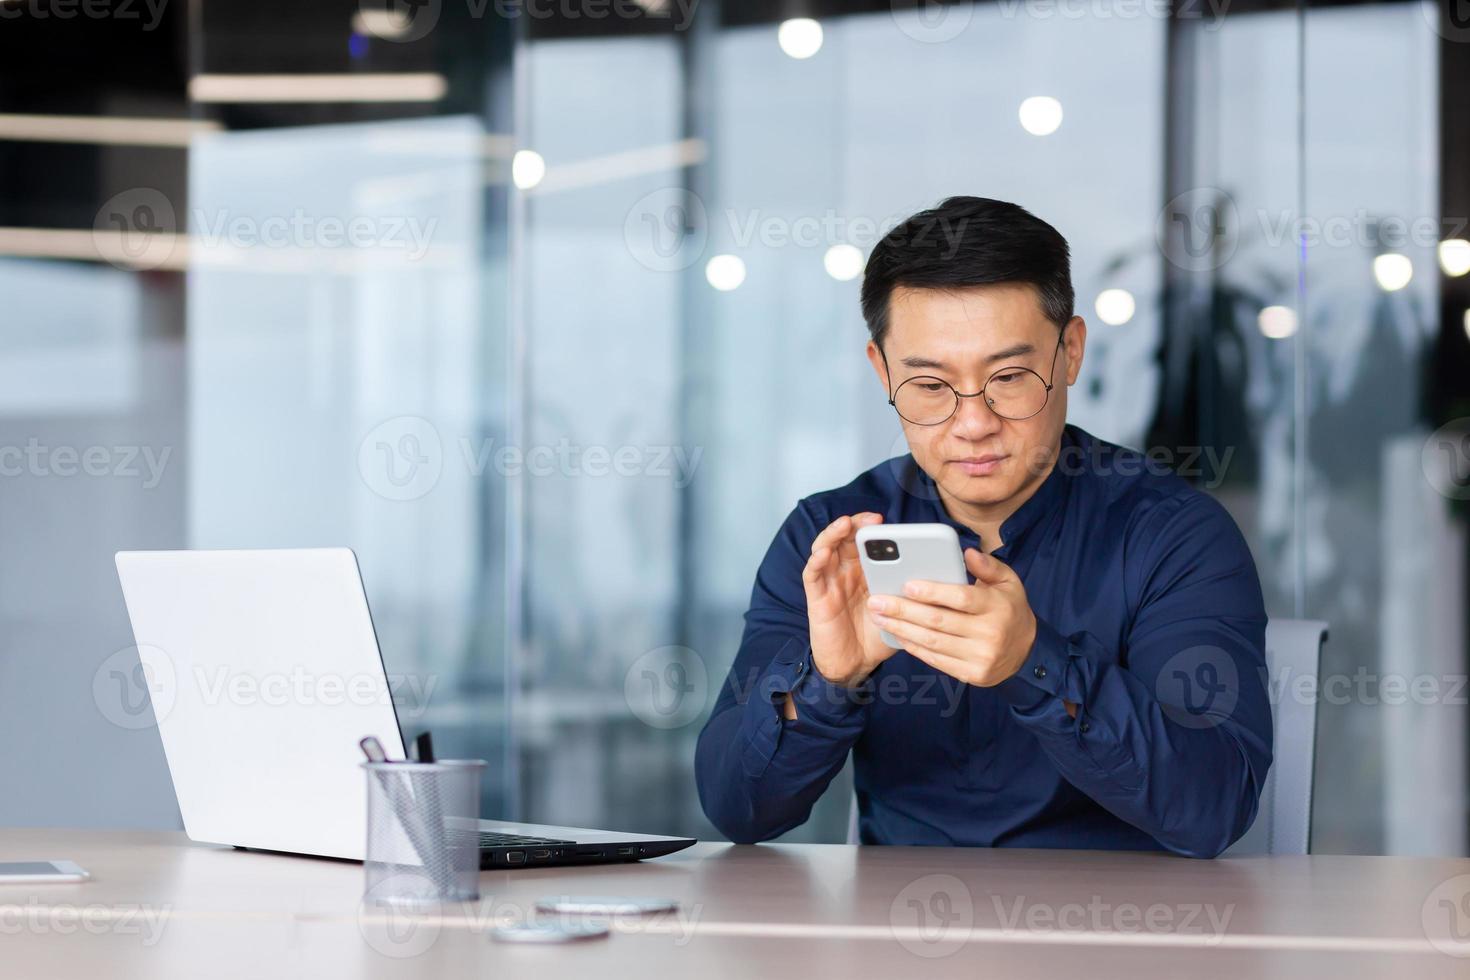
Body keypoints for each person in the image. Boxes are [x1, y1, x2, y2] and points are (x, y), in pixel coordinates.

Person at [694, 196, 1272, 858]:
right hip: (900, 940)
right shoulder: (831, 540)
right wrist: (826, 680)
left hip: (1120, 940)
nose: (973, 423)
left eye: (1009, 377)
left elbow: (1216, 805)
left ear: (1070, 352)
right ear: (882, 371)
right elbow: (737, 810)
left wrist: (1037, 662)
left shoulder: (1173, 537)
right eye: (932, 386)